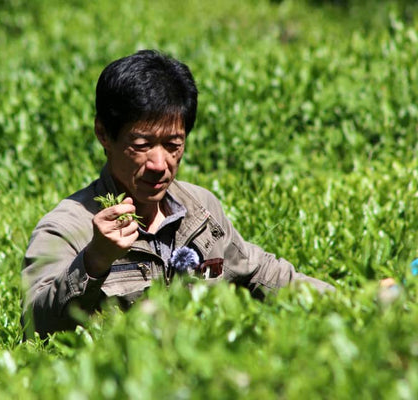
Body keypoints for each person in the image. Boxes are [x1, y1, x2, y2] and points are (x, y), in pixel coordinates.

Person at [22, 50, 334, 337]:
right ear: (104, 134)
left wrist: (353, 302)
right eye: (142, 145)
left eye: (173, 145)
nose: (160, 165)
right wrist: (94, 261)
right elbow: (36, 326)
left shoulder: (201, 209)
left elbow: (262, 272)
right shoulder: (67, 227)